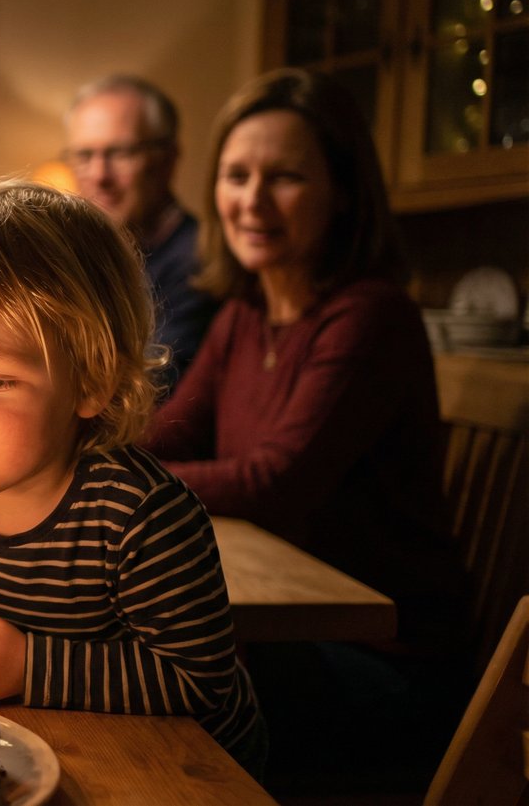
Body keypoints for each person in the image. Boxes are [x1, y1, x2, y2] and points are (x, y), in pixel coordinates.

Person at [0, 179, 266, 776]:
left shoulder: (140, 514)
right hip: (17, 749)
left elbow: (198, 680)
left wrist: (30, 666)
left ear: (90, 382)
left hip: (177, 772)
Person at [141, 68, 468, 792]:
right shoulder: (245, 313)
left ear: (344, 191)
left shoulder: (370, 315)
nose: (251, 201)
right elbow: (170, 435)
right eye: (236, 175)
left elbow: (273, 483)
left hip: (389, 656)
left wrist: (109, 479)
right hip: (293, 633)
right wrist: (67, 444)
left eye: (284, 176)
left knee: (165, 664)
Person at [64, 75, 219, 392]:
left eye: (120, 153)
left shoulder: (200, 262)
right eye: (83, 155)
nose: (98, 175)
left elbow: (151, 391)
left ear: (167, 160)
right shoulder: (83, 255)